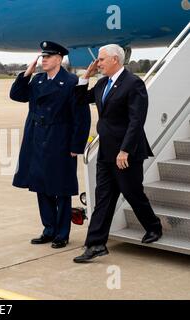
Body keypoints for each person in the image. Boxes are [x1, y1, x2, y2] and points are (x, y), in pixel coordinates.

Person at [73, 44, 163, 263]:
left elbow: (136, 121)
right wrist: (86, 75)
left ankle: (153, 226)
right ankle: (95, 244)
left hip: (126, 152)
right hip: (105, 152)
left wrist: (125, 150)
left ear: (115, 59)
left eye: (101, 59)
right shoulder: (102, 82)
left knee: (132, 193)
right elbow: (79, 100)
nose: (98, 63)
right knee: (103, 198)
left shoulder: (134, 84)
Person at [10, 41, 90, 249]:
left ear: (59, 59)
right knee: (41, 186)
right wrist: (26, 74)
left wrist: (76, 146)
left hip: (60, 140)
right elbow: (17, 95)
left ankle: (62, 233)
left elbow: (81, 117)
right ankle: (48, 229)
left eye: (48, 56)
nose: (43, 60)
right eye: (42, 56)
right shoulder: (37, 80)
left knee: (61, 188)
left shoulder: (72, 82)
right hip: (37, 139)